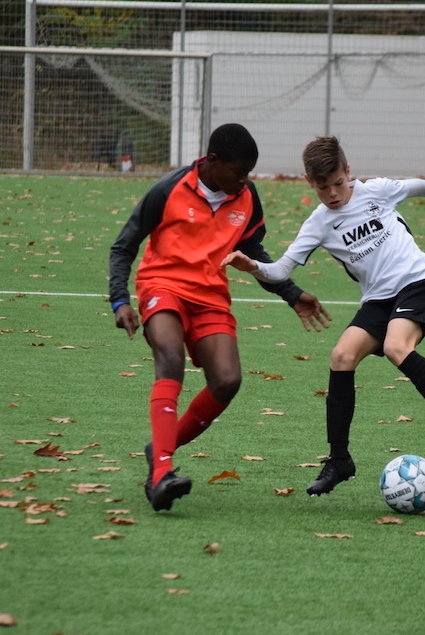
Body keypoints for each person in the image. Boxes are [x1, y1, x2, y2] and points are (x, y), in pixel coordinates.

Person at [221, 136, 425, 497]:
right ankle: (339, 459)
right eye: (323, 187)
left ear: (348, 171)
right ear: (309, 182)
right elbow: (280, 270)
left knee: (396, 347)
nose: (333, 193)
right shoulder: (318, 223)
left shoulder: (375, 191)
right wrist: (252, 266)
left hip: (418, 282)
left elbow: (417, 186)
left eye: (338, 183)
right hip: (378, 299)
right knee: (341, 356)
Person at [109, 123, 331, 512]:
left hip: (210, 297)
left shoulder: (246, 197)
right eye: (238, 172)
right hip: (162, 285)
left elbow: (253, 253)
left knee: (227, 381)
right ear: (212, 161)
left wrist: (292, 293)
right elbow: (123, 246)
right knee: (170, 359)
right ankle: (161, 474)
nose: (244, 181)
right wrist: (119, 300)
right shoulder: (168, 189)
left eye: (248, 174)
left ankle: (160, 448)